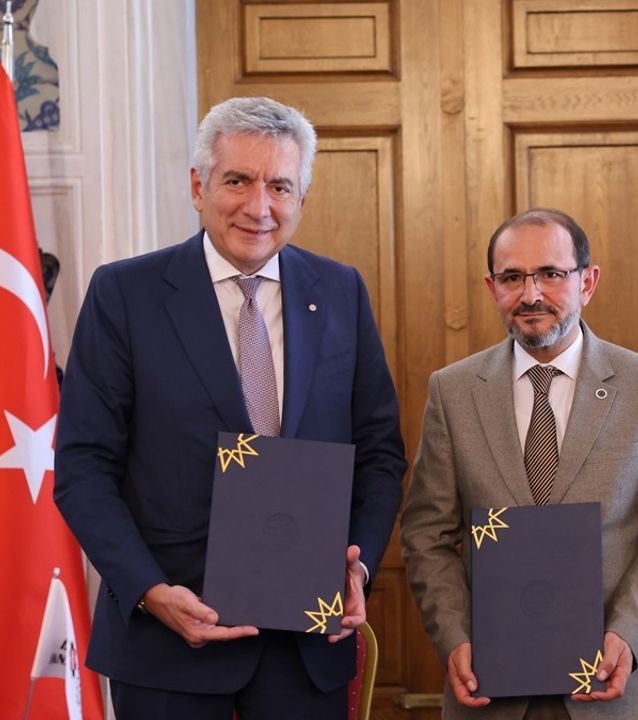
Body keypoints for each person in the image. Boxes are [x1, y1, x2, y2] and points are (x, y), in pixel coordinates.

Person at [54, 97, 406, 719]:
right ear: (198, 186)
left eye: (279, 186)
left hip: (307, 646)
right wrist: (150, 591)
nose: (259, 207)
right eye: (237, 180)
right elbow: (83, 468)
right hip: (167, 645)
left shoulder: (341, 291)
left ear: (302, 196)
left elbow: (378, 453)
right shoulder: (124, 294)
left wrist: (359, 565)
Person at [400, 208, 638, 719]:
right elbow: (426, 535)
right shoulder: (453, 392)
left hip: (619, 689)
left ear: (587, 282)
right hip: (490, 691)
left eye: (551, 274)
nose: (531, 295)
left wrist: (627, 635)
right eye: (512, 278)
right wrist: (454, 637)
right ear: (491, 286)